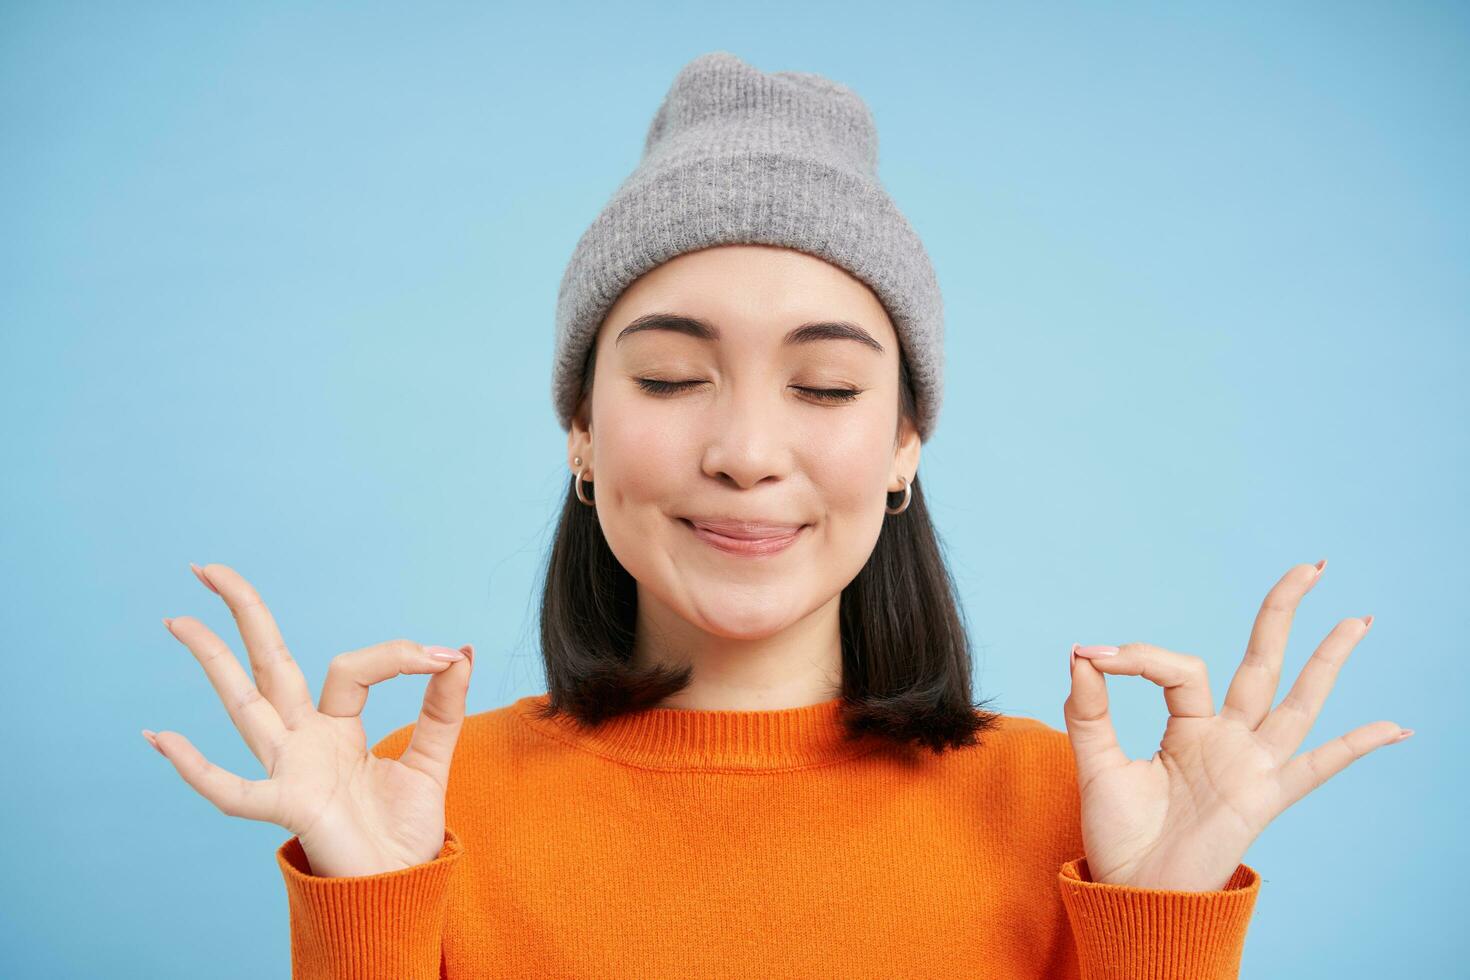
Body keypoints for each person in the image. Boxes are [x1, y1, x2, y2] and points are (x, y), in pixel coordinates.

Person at [144, 51, 1411, 979]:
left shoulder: (1079, 811)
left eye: (826, 385)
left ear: (907, 439)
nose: (748, 451)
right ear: (578, 429)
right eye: (668, 377)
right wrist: (367, 905)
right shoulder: (418, 805)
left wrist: (1165, 916)